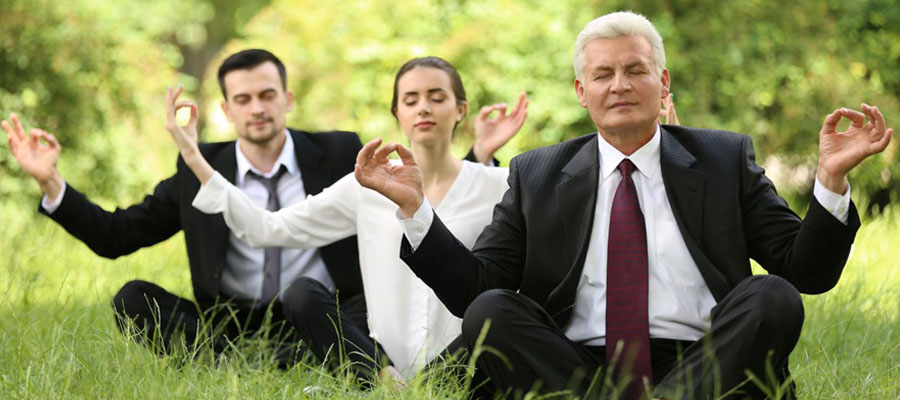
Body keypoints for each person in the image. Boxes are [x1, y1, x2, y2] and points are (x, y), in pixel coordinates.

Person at [355, 11, 892, 399]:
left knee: (772, 295)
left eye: (635, 70)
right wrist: (416, 211)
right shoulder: (537, 172)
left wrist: (829, 181)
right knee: (491, 311)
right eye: (603, 75)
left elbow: (807, 272)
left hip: (706, 357)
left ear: (662, 83)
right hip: (573, 364)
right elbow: (476, 290)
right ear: (580, 90)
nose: (620, 85)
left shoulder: (723, 158)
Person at [1, 49, 494, 366]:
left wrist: (479, 159)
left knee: (321, 304)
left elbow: (420, 188)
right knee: (132, 297)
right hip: (227, 322)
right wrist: (51, 182)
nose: (257, 107)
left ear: (287, 99)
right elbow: (116, 236)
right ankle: (236, 362)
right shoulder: (198, 170)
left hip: (321, 315)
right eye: (243, 99)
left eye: (266, 95)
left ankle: (284, 359)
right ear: (227, 109)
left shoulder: (341, 153)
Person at [163, 56, 528, 378]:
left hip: (463, 356)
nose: (424, 108)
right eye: (410, 100)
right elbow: (268, 227)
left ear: (460, 109)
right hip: (384, 360)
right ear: (396, 113)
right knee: (303, 293)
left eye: (437, 97)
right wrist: (193, 155)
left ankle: (427, 384)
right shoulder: (365, 187)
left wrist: (481, 152)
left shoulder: (501, 183)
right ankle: (385, 381)